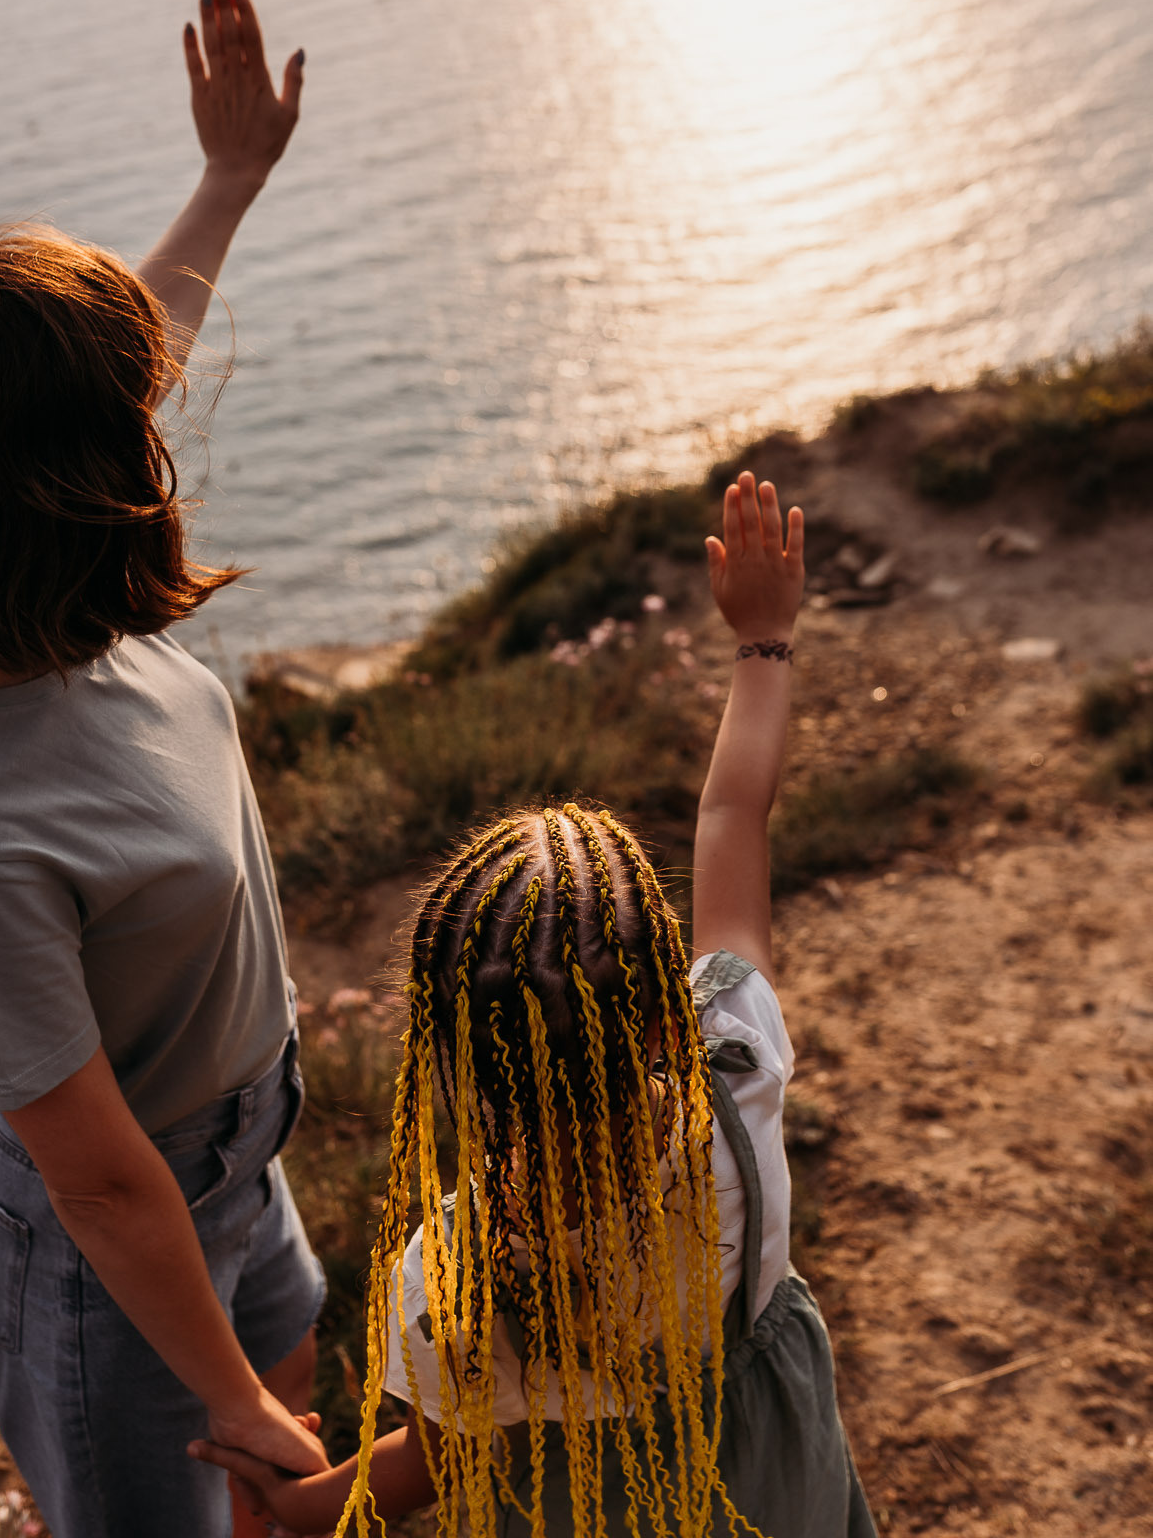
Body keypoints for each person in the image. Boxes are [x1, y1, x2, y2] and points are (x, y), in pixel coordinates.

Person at [0, 0, 327, 1538]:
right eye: (125, 427)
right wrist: (228, 1400)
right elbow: (101, 1181)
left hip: (241, 1161)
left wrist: (229, 177)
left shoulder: (51, 608)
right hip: (111, 1261)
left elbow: (132, 348)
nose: (156, 430)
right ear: (56, 488)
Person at [197, 472, 876, 1538]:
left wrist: (299, 1497)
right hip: (774, 1487)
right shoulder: (736, 1081)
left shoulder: (456, 1275)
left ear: (456, 1055)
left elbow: (436, 1461)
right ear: (665, 1015)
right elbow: (733, 811)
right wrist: (763, 638)